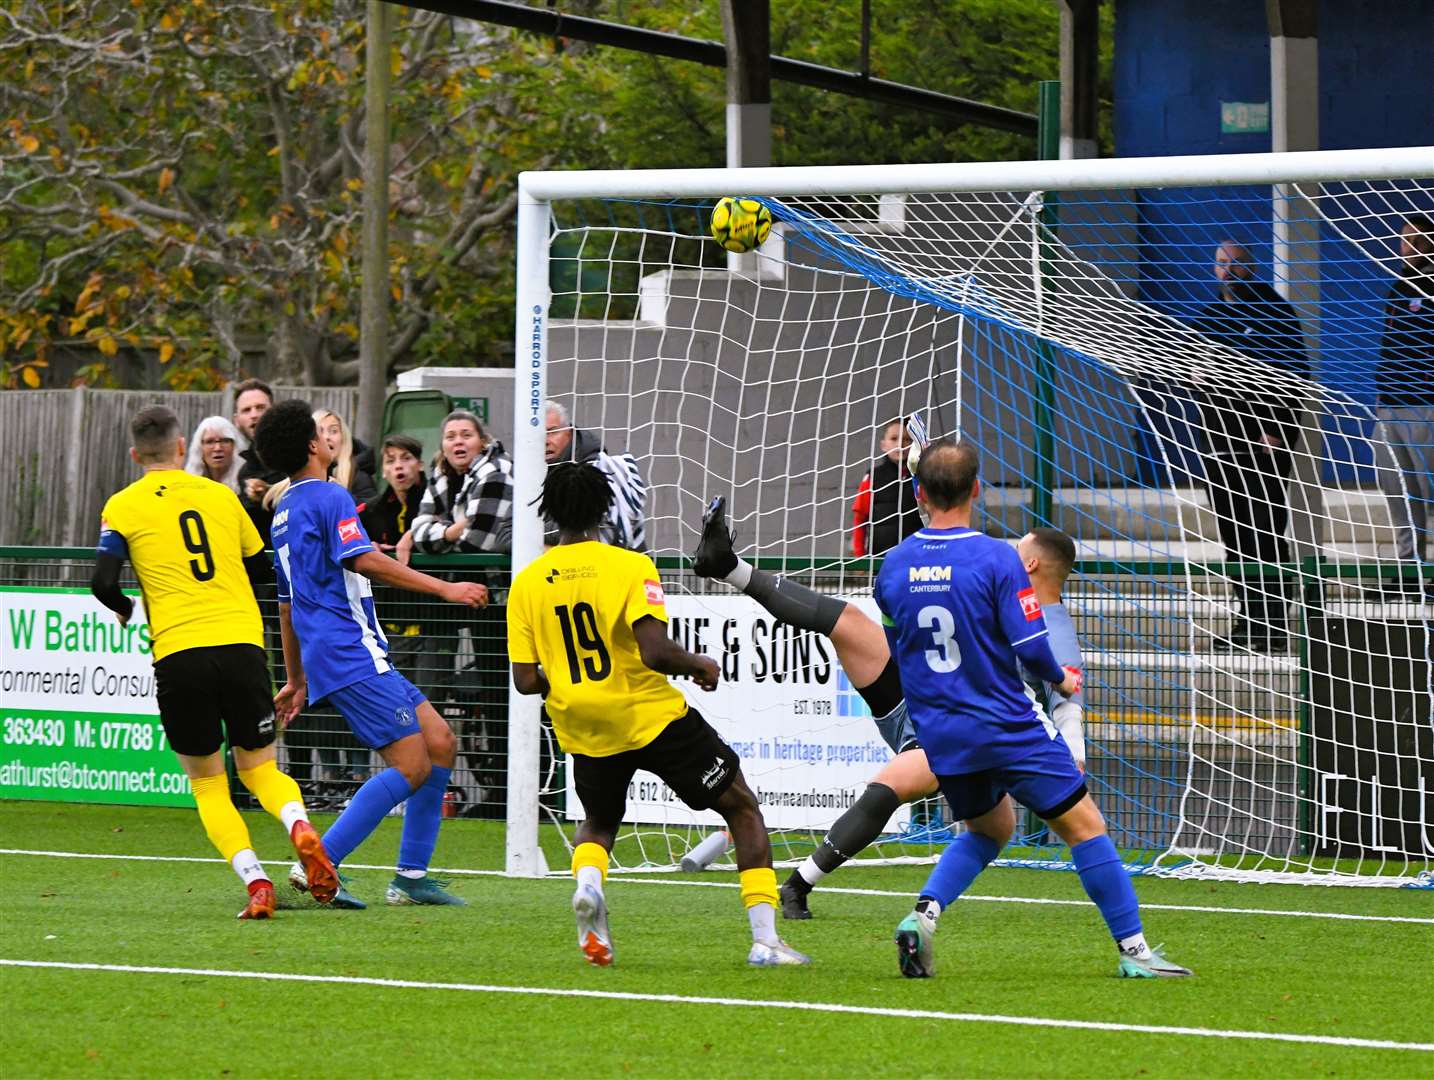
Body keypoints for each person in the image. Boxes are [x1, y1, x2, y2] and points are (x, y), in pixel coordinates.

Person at [876, 439, 1189, 978]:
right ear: (976, 488)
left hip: (944, 735)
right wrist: (1060, 676)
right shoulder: (999, 557)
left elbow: (896, 648)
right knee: (1088, 828)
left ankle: (923, 916)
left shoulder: (893, 565)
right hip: (1004, 724)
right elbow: (1029, 646)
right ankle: (1135, 953)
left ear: (920, 492)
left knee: (988, 829)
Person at [692, 496, 1086, 918]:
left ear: (1030, 567)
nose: (1008, 553)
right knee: (848, 621)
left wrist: (1074, 754)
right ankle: (728, 567)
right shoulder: (1002, 592)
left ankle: (798, 884)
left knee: (896, 784)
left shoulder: (1053, 630)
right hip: (922, 695)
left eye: (1018, 549)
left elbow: (1068, 701)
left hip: (957, 732)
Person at [507, 462, 809, 967]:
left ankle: (587, 886)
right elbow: (654, 652)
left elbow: (525, 680)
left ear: (550, 513)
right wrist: (699, 664)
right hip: (649, 715)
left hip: (583, 722)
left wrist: (571, 680)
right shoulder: (631, 567)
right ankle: (766, 941)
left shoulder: (528, 582)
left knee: (600, 819)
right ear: (605, 508)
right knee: (741, 807)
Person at [89, 404, 338, 919]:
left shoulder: (123, 505)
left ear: (137, 454)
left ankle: (256, 882)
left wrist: (125, 608)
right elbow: (262, 570)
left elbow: (103, 583)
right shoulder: (222, 496)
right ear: (183, 448)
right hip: (243, 645)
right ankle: (299, 825)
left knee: (207, 783)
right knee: (261, 768)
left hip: (180, 652)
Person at [254, 399, 487, 908]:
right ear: (315, 445)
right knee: (411, 765)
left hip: (341, 653)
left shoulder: (284, 510)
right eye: (322, 430)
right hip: (349, 652)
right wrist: (445, 589)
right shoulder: (330, 497)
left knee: (441, 742)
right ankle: (318, 864)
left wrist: (295, 678)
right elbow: (361, 559)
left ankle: (410, 877)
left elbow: (286, 607)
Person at [1192, 241, 1309, 652]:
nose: (1229, 271)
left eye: (1237, 264)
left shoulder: (1275, 312)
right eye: (1222, 264)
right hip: (1221, 444)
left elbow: (1295, 374)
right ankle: (1247, 618)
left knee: (1265, 532)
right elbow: (1197, 379)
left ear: (1252, 268)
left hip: (1263, 445)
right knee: (1234, 535)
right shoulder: (1207, 319)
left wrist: (1276, 429)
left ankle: (1274, 623)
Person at [1374, 214, 1434, 594]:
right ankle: (1410, 570)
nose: (1405, 248)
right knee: (1397, 489)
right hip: (1390, 406)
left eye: (1413, 240)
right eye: (1402, 240)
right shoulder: (1399, 287)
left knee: (1427, 489)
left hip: (1427, 405)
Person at [544, 400, 647, 550]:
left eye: (552, 431)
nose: (545, 440)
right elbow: (504, 534)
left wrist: (532, 538)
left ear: (569, 432)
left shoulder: (593, 472)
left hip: (613, 568)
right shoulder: (527, 473)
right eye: (538, 433)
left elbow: (577, 526)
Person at [851, 419, 923, 557]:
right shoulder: (873, 477)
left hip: (916, 558)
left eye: (907, 439)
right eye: (894, 439)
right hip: (880, 558)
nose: (900, 444)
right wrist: (859, 556)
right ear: (883, 445)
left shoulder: (923, 477)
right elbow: (859, 519)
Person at [233, 378, 283, 537]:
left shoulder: (300, 451)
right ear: (237, 421)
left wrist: (270, 492)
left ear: (274, 411)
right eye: (246, 410)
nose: (254, 415)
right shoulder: (246, 472)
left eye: (260, 408)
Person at [184, 416, 244, 493]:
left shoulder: (247, 487)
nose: (218, 448)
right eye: (210, 442)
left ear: (235, 446)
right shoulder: (187, 488)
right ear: (199, 448)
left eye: (225, 441)